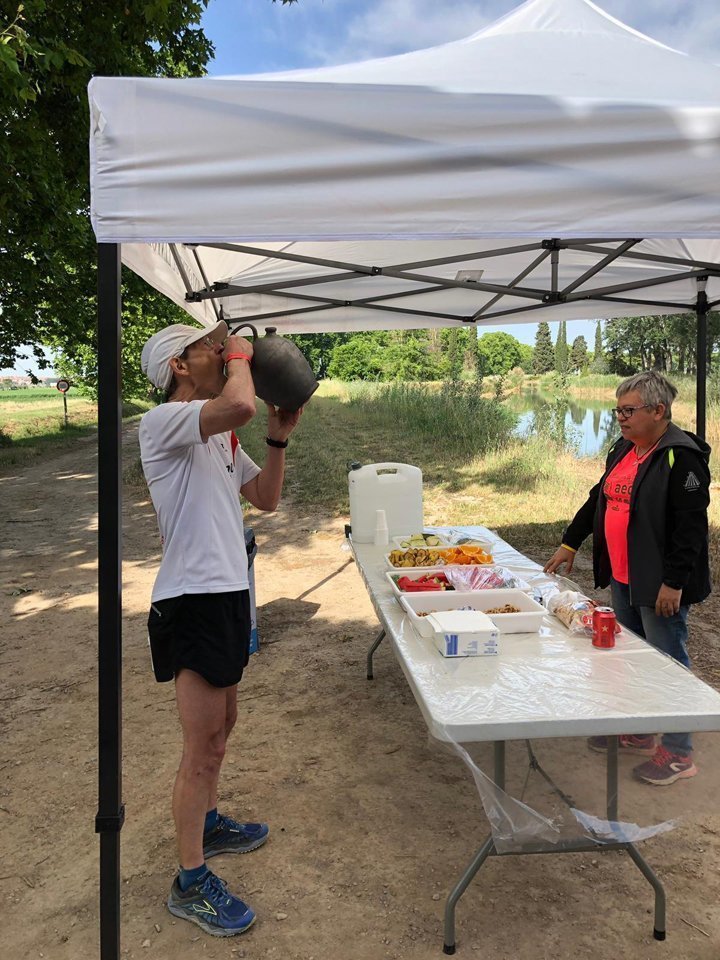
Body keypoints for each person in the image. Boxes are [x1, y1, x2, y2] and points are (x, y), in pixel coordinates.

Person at [139, 319, 302, 936]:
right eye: (211, 346)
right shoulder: (164, 423)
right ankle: (190, 880)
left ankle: (209, 824)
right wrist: (242, 353)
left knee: (224, 726)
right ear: (180, 366)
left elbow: (263, 498)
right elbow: (239, 402)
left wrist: (279, 441)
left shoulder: (218, 437)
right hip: (193, 600)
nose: (225, 351)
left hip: (228, 593)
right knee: (201, 746)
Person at [544, 370, 711, 786]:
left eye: (629, 410)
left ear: (659, 410)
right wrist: (570, 542)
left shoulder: (680, 456)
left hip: (658, 584)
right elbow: (598, 497)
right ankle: (640, 729)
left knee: (666, 661)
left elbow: (691, 530)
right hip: (623, 576)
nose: (620, 417)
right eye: (617, 409)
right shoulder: (624, 448)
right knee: (630, 655)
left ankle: (677, 752)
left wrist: (673, 583)